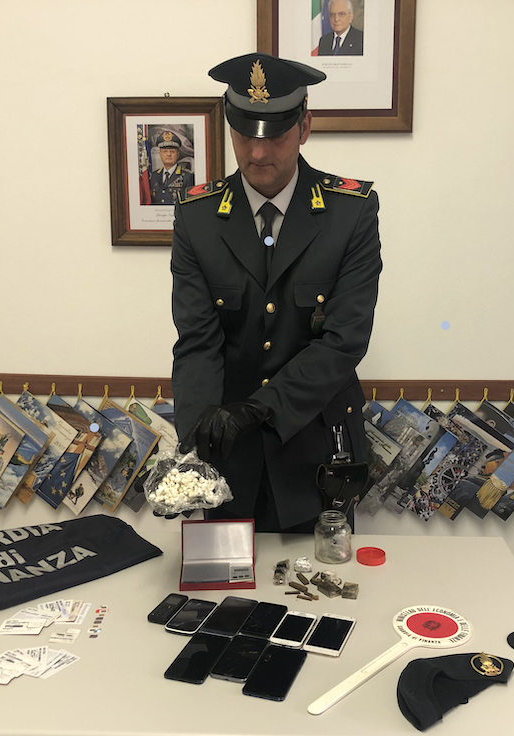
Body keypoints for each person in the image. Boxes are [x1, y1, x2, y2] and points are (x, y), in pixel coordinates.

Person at [170, 52, 382, 533]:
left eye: (276, 136)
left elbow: (344, 341)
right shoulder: (197, 218)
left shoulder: (351, 213)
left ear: (304, 127)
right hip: (228, 457)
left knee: (320, 579)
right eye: (245, 134)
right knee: (224, 582)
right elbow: (197, 341)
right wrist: (196, 440)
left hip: (318, 454)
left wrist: (261, 408)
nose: (258, 153)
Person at [149, 131, 194, 204]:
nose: (169, 154)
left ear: (178, 154)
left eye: (172, 151)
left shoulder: (187, 177)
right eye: (165, 151)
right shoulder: (154, 176)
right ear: (160, 154)